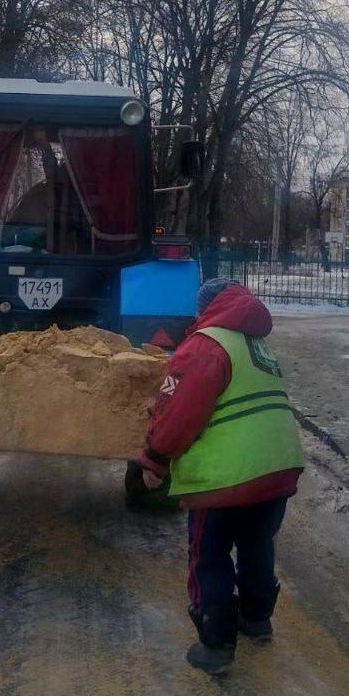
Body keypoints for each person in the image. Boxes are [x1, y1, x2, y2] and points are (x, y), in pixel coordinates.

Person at [137, 279, 305, 675]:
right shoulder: (257, 345)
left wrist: (155, 459)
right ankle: (256, 619)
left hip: (226, 478)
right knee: (256, 545)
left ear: (207, 309)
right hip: (278, 468)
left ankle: (215, 646)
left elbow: (179, 411)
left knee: (209, 555)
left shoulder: (204, 345)